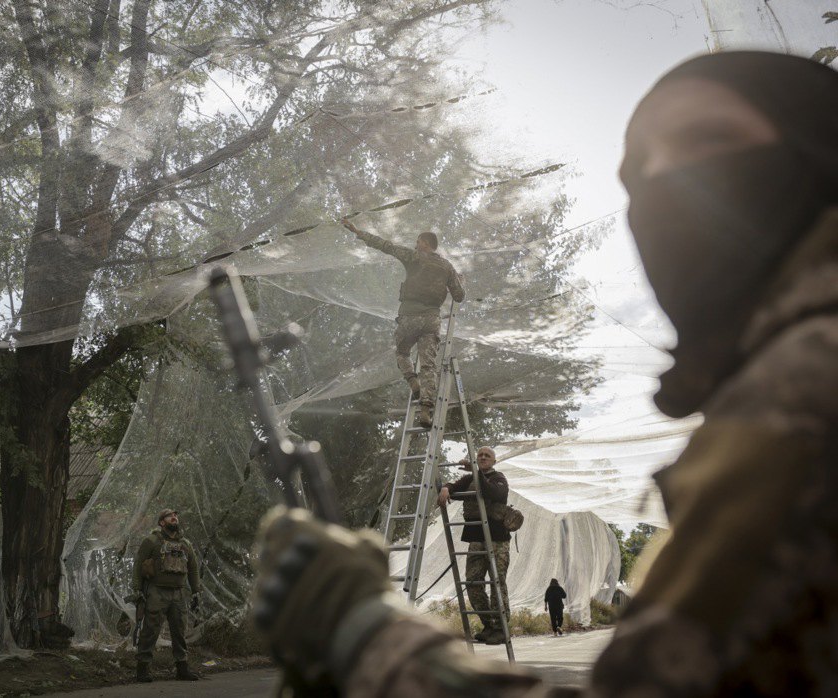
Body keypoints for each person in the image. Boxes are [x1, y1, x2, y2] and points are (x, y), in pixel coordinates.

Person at [253, 51, 838, 696]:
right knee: (407, 362)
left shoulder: (803, 386)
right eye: (639, 175)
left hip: (430, 340)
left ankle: (428, 410)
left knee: (419, 369)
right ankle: (422, 397)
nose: (668, 183)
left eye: (708, 140)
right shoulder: (765, 378)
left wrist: (367, 639)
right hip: (414, 328)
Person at [341, 217, 465, 428]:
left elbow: (386, 246)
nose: (416, 245)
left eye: (418, 242)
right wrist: (461, 283)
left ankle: (413, 382)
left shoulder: (414, 257)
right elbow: (459, 296)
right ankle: (426, 409)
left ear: (425, 243)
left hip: (409, 317)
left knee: (402, 352)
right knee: (428, 365)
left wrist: (358, 232)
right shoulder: (447, 267)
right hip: (432, 321)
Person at [436, 446, 511, 644]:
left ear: (494, 461)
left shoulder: (498, 478)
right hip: (476, 540)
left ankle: (501, 628)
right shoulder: (470, 479)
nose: (483, 457)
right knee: (473, 582)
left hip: (497, 540)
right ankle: (488, 625)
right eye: (480, 455)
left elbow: (493, 492)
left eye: (488, 456)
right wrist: (446, 487)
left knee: (497, 582)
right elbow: (454, 486)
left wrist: (475, 471)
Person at [130, 508, 202, 682]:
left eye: (176, 515)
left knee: (180, 631)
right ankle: (142, 670)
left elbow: (193, 568)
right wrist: (137, 589)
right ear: (162, 522)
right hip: (156, 592)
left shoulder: (185, 544)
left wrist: (196, 591)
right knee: (150, 630)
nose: (174, 517)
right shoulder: (152, 541)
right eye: (170, 516)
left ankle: (182, 669)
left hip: (179, 593)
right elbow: (139, 564)